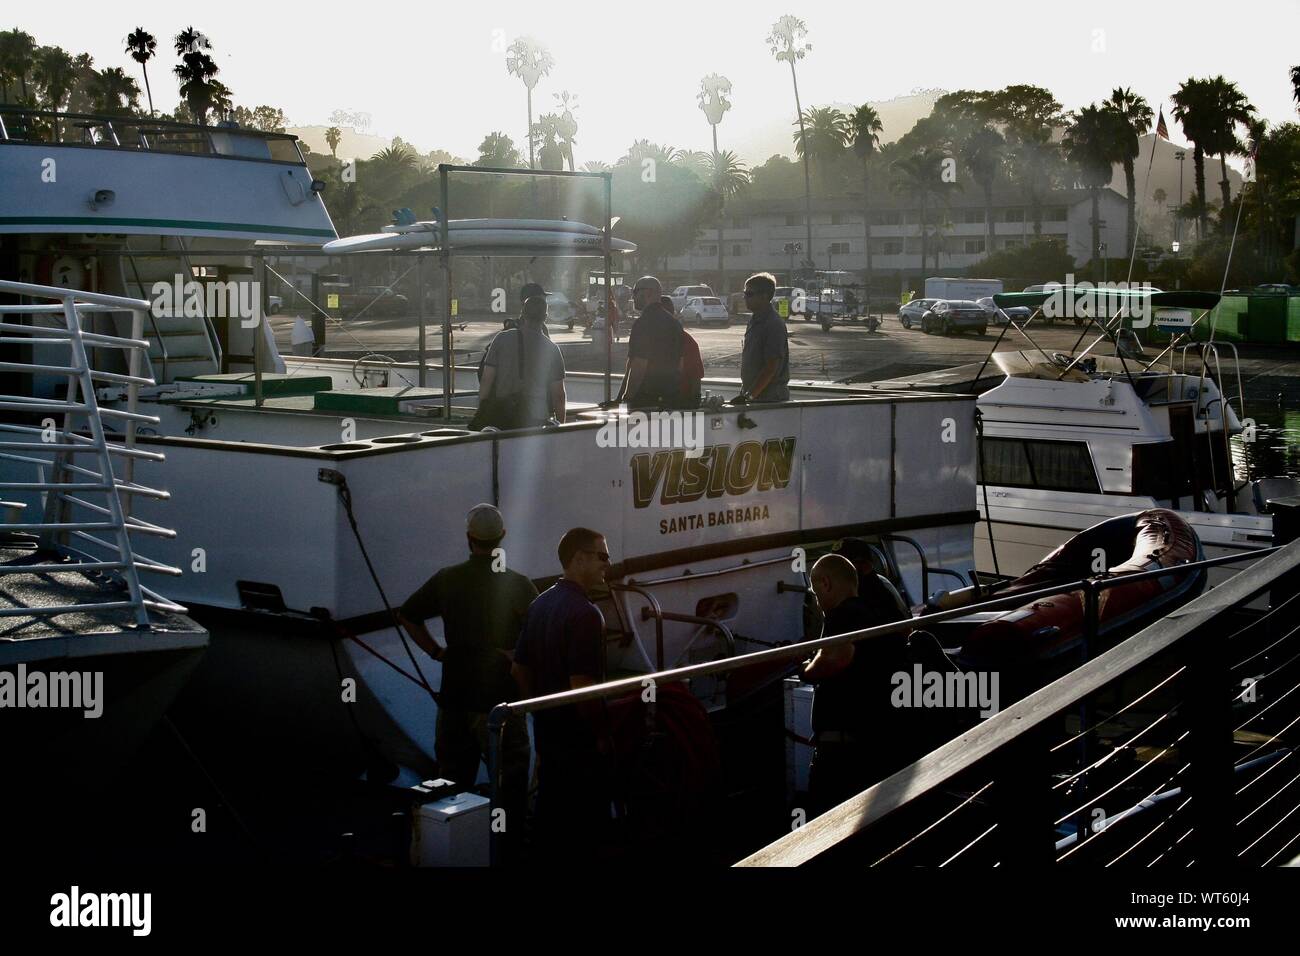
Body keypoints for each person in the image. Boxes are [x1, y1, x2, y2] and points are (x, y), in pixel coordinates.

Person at [397, 504, 537, 851]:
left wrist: (436, 652)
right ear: (502, 537)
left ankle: (455, 847)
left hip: (455, 698)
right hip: (501, 704)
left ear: (468, 538)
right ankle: (509, 849)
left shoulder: (447, 579)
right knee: (511, 786)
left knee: (450, 785)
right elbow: (538, 633)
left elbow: (408, 616)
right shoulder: (518, 584)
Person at [512, 527, 613, 858]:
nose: (607, 565)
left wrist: (541, 713)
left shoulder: (540, 604)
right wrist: (601, 736)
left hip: (548, 737)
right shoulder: (586, 614)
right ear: (579, 558)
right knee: (587, 833)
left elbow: (519, 669)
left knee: (550, 828)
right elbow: (582, 687)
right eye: (602, 556)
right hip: (578, 746)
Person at [800, 553, 910, 816]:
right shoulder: (874, 612)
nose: (817, 601)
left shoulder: (842, 615)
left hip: (843, 752)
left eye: (816, 594)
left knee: (826, 820)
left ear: (826, 583)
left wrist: (805, 670)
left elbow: (835, 658)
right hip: (877, 740)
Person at [475, 295, 566, 429]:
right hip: (536, 418)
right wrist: (562, 426)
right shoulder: (552, 349)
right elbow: (558, 395)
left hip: (502, 416)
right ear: (545, 317)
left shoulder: (501, 339)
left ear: (522, 314)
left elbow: (486, 380)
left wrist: (482, 411)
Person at [620, 276, 682, 408]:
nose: (633, 297)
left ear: (647, 293)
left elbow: (639, 365)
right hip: (670, 399)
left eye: (635, 292)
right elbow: (680, 365)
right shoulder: (675, 324)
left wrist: (627, 398)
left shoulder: (643, 323)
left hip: (645, 400)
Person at [733, 272, 790, 404]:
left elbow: (771, 367)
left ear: (764, 296)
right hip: (755, 395)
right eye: (745, 293)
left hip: (770, 399)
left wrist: (749, 397)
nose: (744, 297)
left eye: (749, 294)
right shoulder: (754, 320)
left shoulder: (773, 324)